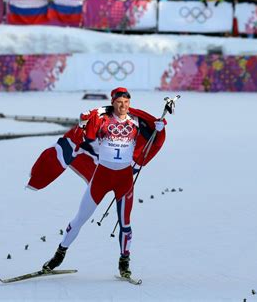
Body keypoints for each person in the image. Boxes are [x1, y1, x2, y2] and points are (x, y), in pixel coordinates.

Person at [41, 87, 166, 279]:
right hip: (101, 178)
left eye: (126, 102)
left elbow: (154, 137)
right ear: (113, 102)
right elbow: (88, 134)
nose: (123, 106)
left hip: (124, 180)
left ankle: (124, 262)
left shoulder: (137, 121)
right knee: (79, 219)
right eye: (119, 102)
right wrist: (84, 120)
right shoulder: (102, 119)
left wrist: (160, 129)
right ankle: (59, 255)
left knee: (125, 223)